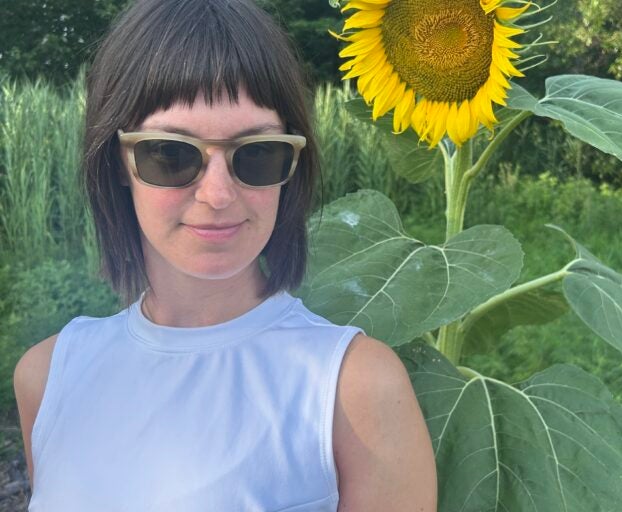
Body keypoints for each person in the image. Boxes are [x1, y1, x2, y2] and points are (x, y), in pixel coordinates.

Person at [12, 0, 438, 510]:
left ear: (293, 165)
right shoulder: (46, 375)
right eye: (170, 153)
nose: (217, 194)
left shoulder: (355, 388)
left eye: (257, 153)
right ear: (118, 162)